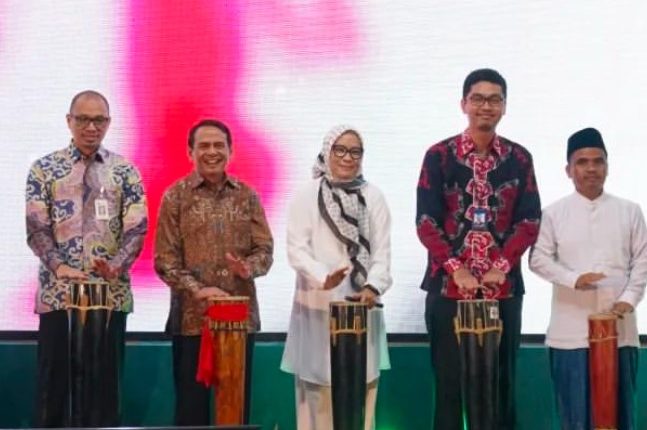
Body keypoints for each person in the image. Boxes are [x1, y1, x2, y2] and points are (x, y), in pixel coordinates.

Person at [416, 68, 541, 429]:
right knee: (449, 389)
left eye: (494, 99)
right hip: (448, 290)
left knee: (501, 388)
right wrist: (457, 268)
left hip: (503, 291)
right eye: (478, 99)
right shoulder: (439, 156)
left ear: (504, 106)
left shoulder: (519, 158)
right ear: (464, 104)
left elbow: (529, 219)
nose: (486, 106)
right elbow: (426, 221)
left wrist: (501, 265)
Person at [26, 90, 148, 426]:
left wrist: (116, 266)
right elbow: (36, 228)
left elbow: (137, 229)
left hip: (109, 298)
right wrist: (60, 266)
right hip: (58, 296)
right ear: (69, 121)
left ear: (108, 123)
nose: (91, 127)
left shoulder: (125, 171)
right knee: (54, 392)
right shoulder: (45, 170)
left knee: (104, 395)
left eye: (98, 120)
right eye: (83, 119)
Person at [154, 119, 274, 425]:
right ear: (190, 152)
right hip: (192, 321)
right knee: (190, 413)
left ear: (231, 151)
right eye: (204, 145)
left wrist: (247, 268)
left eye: (219, 145)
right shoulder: (175, 196)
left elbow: (265, 250)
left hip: (239, 320)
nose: (212, 152)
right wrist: (198, 290)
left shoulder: (247, 196)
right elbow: (164, 260)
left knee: (235, 410)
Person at [529, 127, 647, 430]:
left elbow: (642, 261)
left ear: (607, 166)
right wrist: (574, 279)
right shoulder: (552, 213)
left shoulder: (630, 211)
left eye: (598, 161)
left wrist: (628, 300)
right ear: (568, 170)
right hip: (570, 334)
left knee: (619, 417)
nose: (591, 168)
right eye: (582, 162)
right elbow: (538, 259)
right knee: (575, 417)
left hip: (620, 332)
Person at [280, 125, 392, 430]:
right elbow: (296, 249)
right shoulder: (307, 194)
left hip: (362, 308)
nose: (347, 157)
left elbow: (382, 252)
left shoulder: (373, 196)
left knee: (360, 396)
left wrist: (372, 287)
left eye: (355, 151)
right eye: (340, 150)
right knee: (315, 398)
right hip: (317, 306)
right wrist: (323, 278)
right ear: (326, 152)